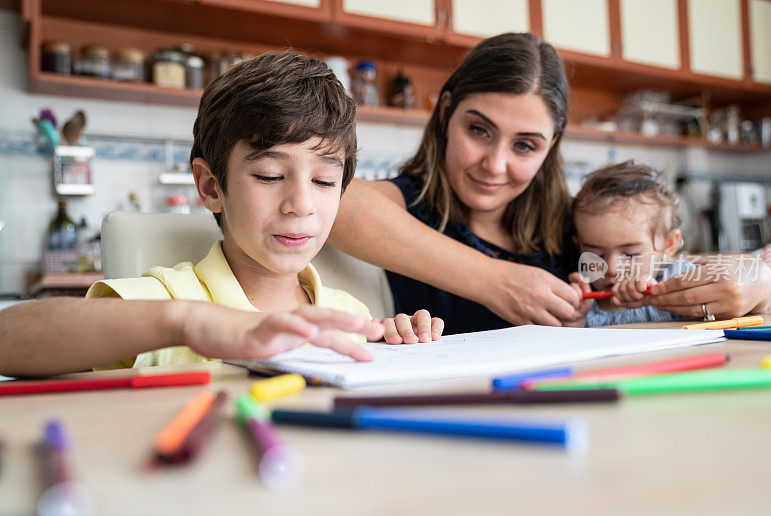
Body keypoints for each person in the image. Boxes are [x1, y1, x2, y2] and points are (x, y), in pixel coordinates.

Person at [0, 52, 442, 378]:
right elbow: (8, 339)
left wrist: (397, 344)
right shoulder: (172, 297)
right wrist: (187, 323)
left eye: (325, 182)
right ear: (212, 187)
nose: (301, 204)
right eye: (270, 175)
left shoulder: (349, 315)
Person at [328, 33, 771, 331]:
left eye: (525, 145)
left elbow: (664, 264)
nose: (495, 164)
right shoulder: (408, 205)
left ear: (551, 146)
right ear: (446, 112)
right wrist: (495, 281)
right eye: (479, 131)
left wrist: (757, 279)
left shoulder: (577, 228)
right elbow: (335, 202)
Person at [568, 161, 771, 327]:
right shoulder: (584, 301)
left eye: (630, 254)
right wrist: (575, 320)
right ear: (579, 246)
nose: (611, 269)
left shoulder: (682, 277)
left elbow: (739, 307)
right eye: (596, 254)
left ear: (669, 245)